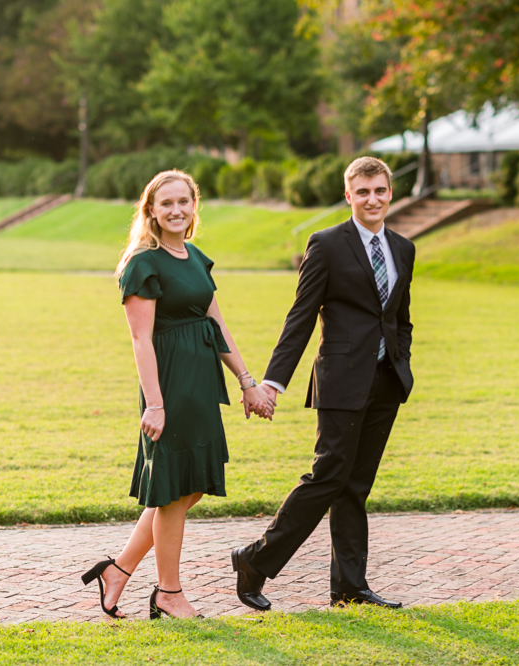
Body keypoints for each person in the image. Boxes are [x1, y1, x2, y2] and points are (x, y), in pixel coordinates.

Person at [82, 170, 274, 620]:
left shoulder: (195, 257)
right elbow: (140, 340)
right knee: (172, 491)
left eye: (183, 201)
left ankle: (118, 570)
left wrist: (248, 382)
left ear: (194, 205)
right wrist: (155, 402)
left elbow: (217, 324)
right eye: (165, 203)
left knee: (189, 490)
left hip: (202, 383)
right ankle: (169, 593)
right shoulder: (142, 264)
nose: (175, 210)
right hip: (168, 384)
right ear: (150, 209)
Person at [233, 156, 415, 611]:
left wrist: (402, 361)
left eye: (380, 191)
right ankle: (255, 560)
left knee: (356, 486)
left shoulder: (404, 249)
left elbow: (400, 318)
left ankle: (349, 587)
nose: (372, 199)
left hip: (385, 383)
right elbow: (301, 316)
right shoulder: (328, 244)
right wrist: (273, 382)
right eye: (363, 192)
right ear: (348, 195)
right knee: (328, 477)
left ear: (390, 193)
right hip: (339, 381)